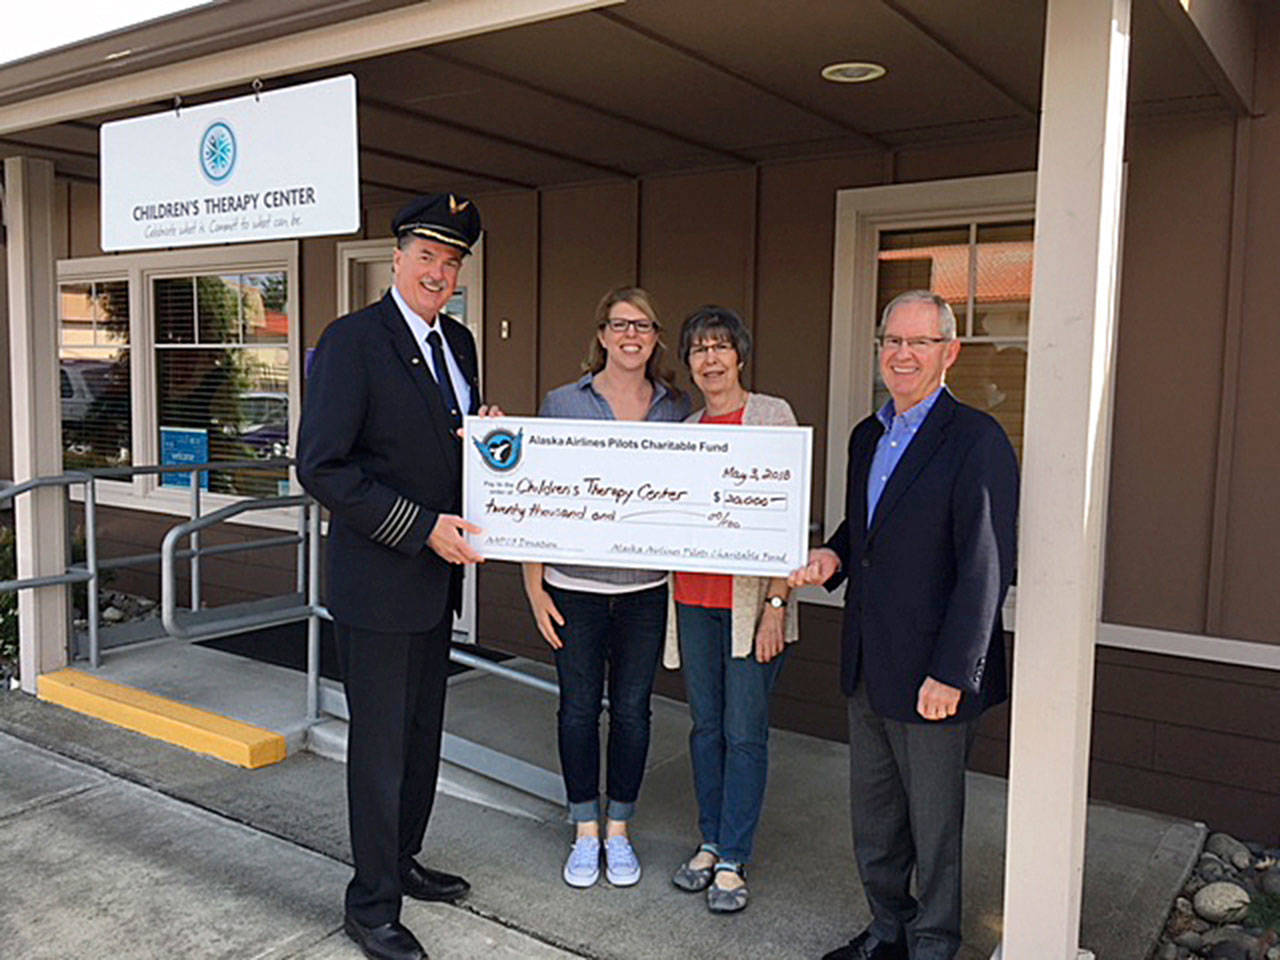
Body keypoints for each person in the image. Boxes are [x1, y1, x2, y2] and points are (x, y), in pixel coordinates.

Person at [298, 193, 498, 960]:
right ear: (397, 259)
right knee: (380, 749)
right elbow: (321, 467)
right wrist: (420, 529)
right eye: (427, 256)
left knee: (420, 739)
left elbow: (445, 444)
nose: (439, 272)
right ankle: (371, 904)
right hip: (380, 583)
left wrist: (488, 440)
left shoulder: (461, 343)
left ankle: (402, 860)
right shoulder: (352, 341)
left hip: (434, 585)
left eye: (452, 261)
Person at [790, 290, 1018, 960]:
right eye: (893, 341)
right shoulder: (869, 435)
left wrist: (953, 672)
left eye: (920, 342)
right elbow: (868, 525)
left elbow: (987, 565)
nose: (903, 354)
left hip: (933, 673)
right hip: (869, 659)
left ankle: (934, 944)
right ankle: (887, 930)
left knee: (935, 827)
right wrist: (834, 554)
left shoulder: (976, 439)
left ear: (950, 352)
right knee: (876, 817)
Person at [521, 287, 690, 890]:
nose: (631, 335)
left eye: (643, 326)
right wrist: (534, 586)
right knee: (576, 709)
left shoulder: (676, 407)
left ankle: (619, 829)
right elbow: (536, 494)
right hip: (573, 587)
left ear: (656, 337)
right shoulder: (564, 403)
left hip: (646, 589)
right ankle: (584, 830)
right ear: (601, 334)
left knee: (633, 712)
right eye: (620, 325)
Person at [663, 306, 799, 914]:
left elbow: (787, 518)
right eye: (699, 349)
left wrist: (776, 605)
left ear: (740, 356)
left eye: (720, 347)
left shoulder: (772, 416)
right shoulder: (688, 427)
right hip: (693, 601)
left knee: (744, 733)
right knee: (706, 729)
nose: (710, 359)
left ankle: (734, 858)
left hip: (751, 607)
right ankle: (710, 840)